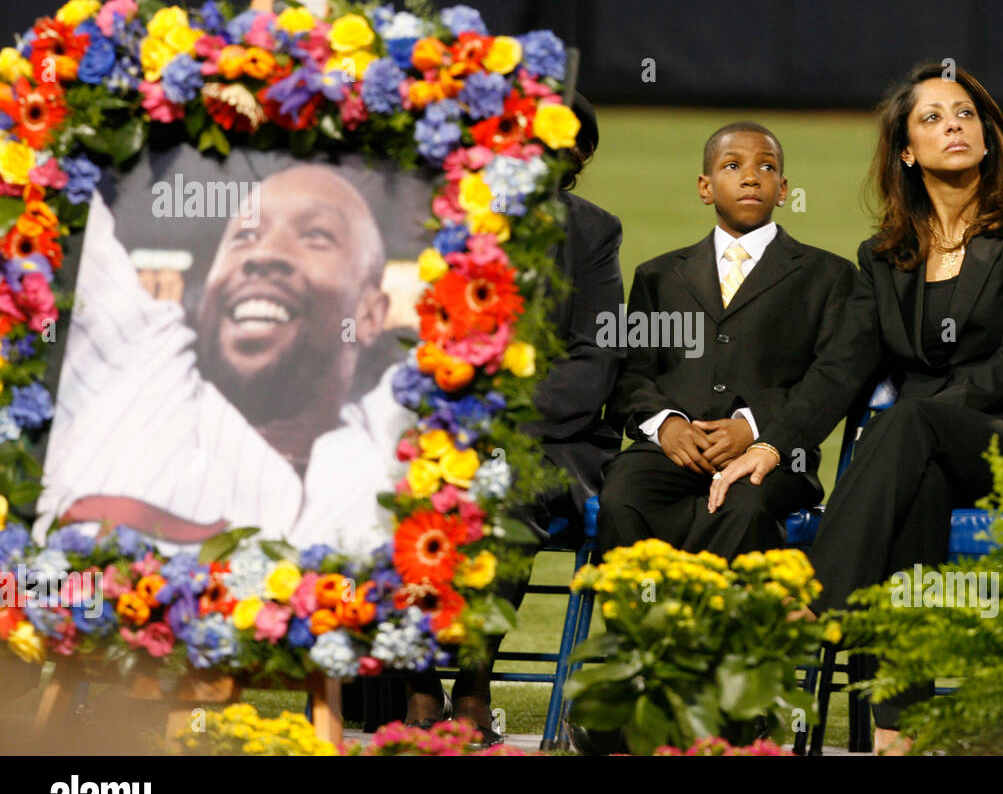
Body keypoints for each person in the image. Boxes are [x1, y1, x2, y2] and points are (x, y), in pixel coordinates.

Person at [709, 64, 1003, 753]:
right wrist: (771, 441)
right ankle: (896, 729)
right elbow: (841, 368)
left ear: (988, 135)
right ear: (906, 151)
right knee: (916, 492)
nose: (954, 126)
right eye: (932, 118)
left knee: (908, 418)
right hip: (924, 455)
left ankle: (819, 597)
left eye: (964, 113)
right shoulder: (883, 256)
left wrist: (929, 409)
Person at [401, 93, 626, 740]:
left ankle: (473, 684)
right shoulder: (444, 220)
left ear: (578, 156)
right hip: (435, 424)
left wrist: (500, 427)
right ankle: (418, 683)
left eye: (558, 139)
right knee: (398, 484)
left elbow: (597, 355)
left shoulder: (591, 232)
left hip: (543, 439)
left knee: (503, 487)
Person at [37, 164, 407, 554]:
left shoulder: (400, 445)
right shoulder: (136, 359)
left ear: (368, 316)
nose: (263, 254)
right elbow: (34, 165)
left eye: (316, 235)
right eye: (245, 236)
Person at [597, 121, 855, 558]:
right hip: (669, 452)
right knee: (622, 499)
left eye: (766, 167)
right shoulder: (658, 276)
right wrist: (667, 425)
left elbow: (831, 381)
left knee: (744, 508)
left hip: (772, 455)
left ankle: (720, 625)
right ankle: (642, 626)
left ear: (783, 188)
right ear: (705, 186)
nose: (751, 176)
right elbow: (631, 378)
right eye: (732, 165)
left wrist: (754, 427)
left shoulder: (828, 276)